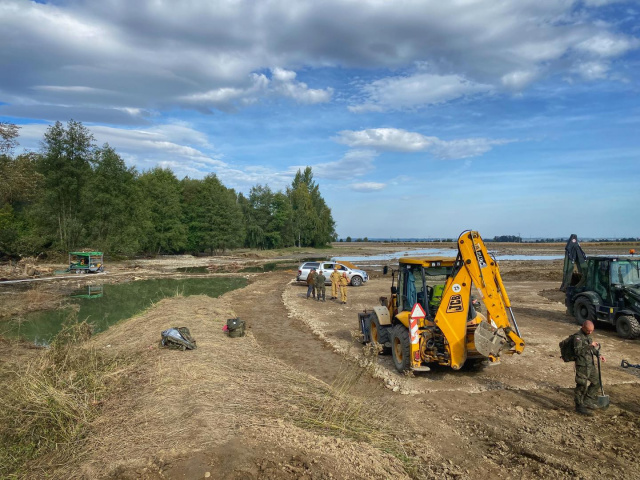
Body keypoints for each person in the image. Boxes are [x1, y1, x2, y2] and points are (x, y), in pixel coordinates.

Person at [573, 320, 606, 416]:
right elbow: (577, 352)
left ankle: (588, 400)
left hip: (590, 365)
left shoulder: (588, 336)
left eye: (592, 331)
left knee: (597, 382)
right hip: (582, 365)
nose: (590, 332)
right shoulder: (577, 337)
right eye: (588, 331)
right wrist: (589, 345)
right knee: (581, 386)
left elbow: (592, 349)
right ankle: (579, 406)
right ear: (583, 327)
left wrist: (599, 355)